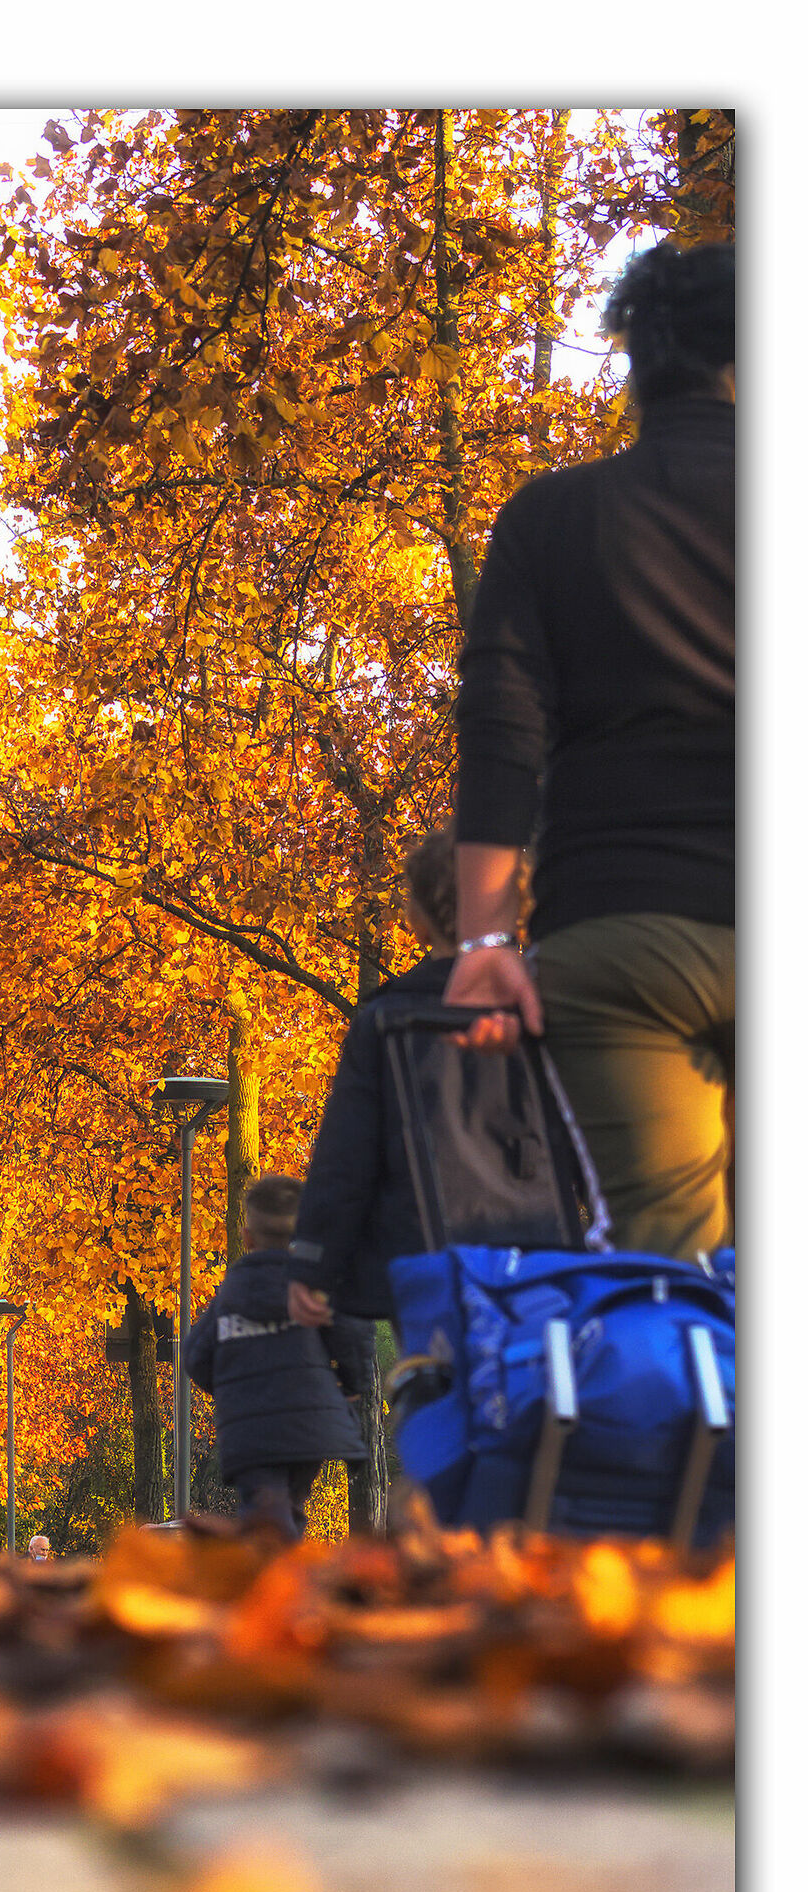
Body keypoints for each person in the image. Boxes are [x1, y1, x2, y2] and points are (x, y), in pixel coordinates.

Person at [444, 240, 734, 1262]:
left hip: (615, 932)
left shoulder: (550, 518)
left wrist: (484, 941)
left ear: (638, 366)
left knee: (677, 1275)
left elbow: (502, 731)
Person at [288, 826, 458, 1333]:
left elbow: (346, 1153)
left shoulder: (388, 1020)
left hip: (425, 1250)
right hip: (537, 1248)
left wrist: (312, 1264)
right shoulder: (543, 1009)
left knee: (438, 1390)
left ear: (416, 919)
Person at [182, 1175, 364, 1538]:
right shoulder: (317, 1291)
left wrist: (233, 1388)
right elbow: (351, 1337)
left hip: (251, 1430)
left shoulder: (228, 1298)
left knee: (266, 1512)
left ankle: (274, 1579)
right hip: (308, 1427)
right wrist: (350, 1384)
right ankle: (288, 1578)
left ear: (248, 1238)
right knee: (290, 1506)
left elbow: (195, 1358)